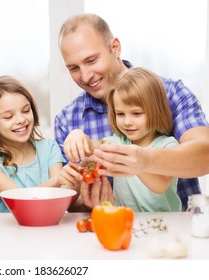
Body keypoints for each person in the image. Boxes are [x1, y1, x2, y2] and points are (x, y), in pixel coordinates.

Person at [55, 13, 209, 211]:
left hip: (176, 231)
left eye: (92, 60)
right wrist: (87, 204)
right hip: (114, 228)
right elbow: (67, 200)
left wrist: (145, 160)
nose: (85, 76)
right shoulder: (67, 120)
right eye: (73, 68)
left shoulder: (169, 93)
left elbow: (205, 154)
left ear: (115, 48)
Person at [72, 67, 181, 212]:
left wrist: (134, 160)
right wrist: (77, 135)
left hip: (162, 224)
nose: (127, 122)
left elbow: (160, 185)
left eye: (136, 113)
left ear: (156, 110)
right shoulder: (118, 142)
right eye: (120, 114)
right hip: (125, 222)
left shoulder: (168, 145)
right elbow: (91, 145)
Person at [0, 75, 65, 213]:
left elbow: (60, 198)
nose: (21, 119)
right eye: (9, 117)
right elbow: (19, 199)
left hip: (48, 228)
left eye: (26, 110)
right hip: (6, 233)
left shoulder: (49, 148)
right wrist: (59, 180)